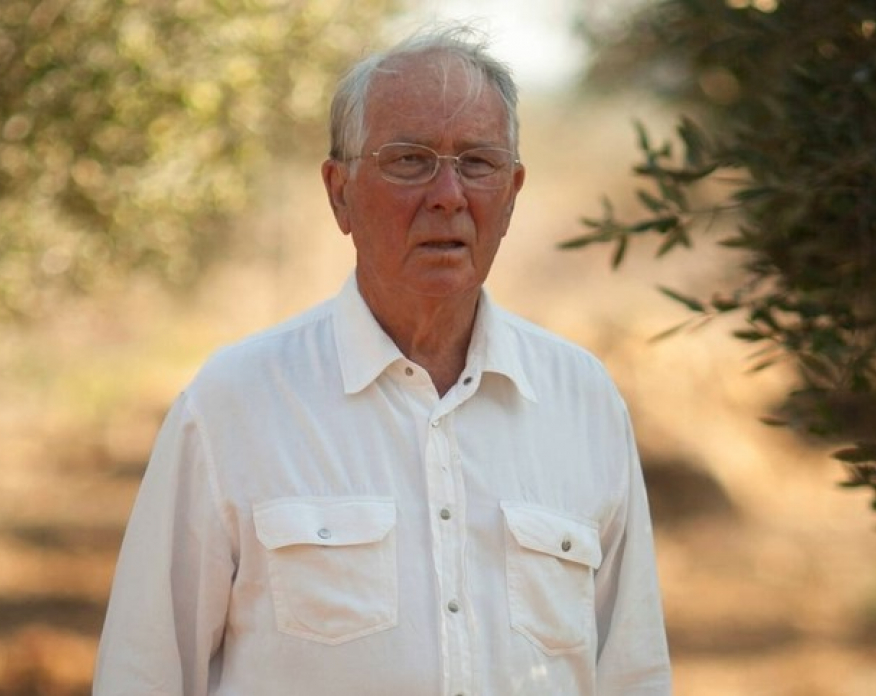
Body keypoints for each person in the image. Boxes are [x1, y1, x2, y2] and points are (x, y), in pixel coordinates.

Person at [93, 23, 671, 696]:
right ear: (340, 192)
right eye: (410, 160)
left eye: (477, 164)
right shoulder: (234, 402)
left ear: (511, 194)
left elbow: (632, 671)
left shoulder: (584, 400)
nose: (449, 196)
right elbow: (146, 671)